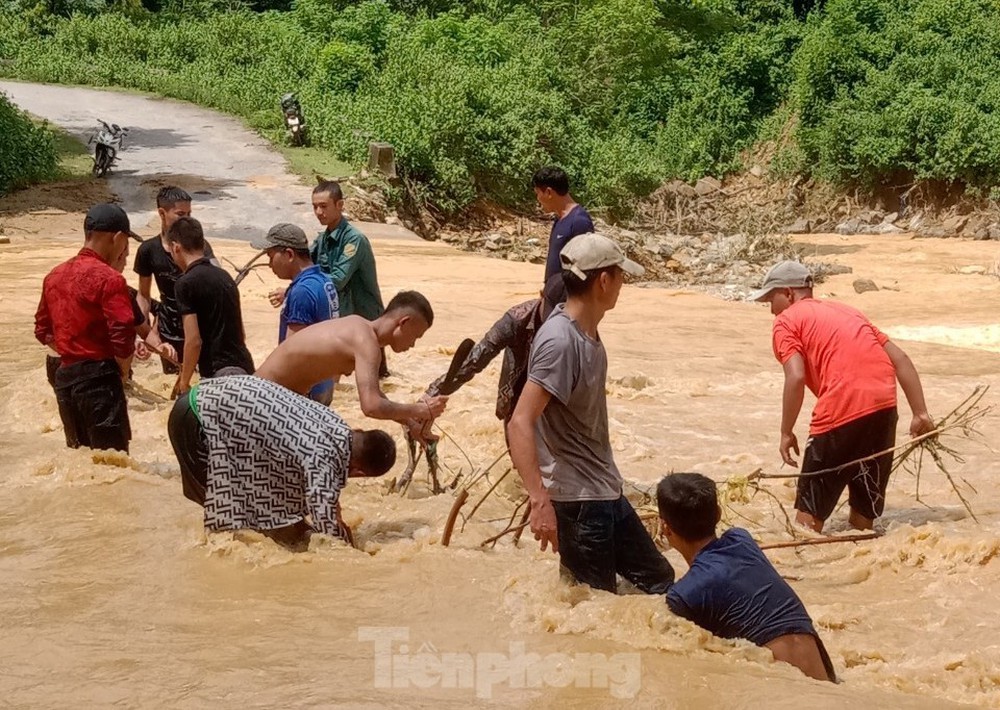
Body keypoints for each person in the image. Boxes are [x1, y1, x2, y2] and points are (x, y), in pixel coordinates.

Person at [507, 233, 674, 594]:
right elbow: (520, 420)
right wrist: (539, 500)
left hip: (603, 490)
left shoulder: (585, 330)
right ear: (603, 281)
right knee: (593, 601)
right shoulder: (561, 341)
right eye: (621, 277)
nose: (622, 286)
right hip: (577, 500)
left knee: (658, 581)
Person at [751, 260, 935, 532]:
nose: (770, 310)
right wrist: (921, 414)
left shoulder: (786, 322)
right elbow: (901, 360)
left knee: (806, 526)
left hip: (840, 410)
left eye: (770, 299)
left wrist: (786, 431)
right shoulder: (850, 312)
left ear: (788, 293)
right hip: (883, 409)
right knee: (864, 518)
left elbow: (796, 376)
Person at [167, 375, 397, 547]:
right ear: (357, 472)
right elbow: (328, 535)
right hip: (198, 420)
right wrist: (349, 548)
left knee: (255, 519)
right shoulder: (324, 460)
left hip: (206, 398)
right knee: (229, 529)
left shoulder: (335, 423)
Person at [656, 473, 837, 682]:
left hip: (782, 687)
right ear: (718, 513)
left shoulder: (684, 595)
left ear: (665, 528)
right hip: (825, 678)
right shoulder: (741, 539)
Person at [255, 290, 448, 436]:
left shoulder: (360, 328)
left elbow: (376, 394)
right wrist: (420, 409)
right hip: (260, 401)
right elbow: (371, 406)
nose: (413, 344)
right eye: (416, 336)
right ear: (403, 322)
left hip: (264, 397)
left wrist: (410, 423)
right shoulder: (366, 342)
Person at [34, 203, 138, 452]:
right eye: (125, 244)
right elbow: (123, 331)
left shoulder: (54, 275)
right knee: (113, 464)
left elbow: (42, 330)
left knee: (80, 458)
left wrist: (74, 351)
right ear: (118, 238)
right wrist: (122, 371)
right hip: (100, 381)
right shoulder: (110, 279)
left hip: (65, 381)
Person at [167, 216, 255, 397]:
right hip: (245, 368)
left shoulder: (185, 283)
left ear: (176, 247)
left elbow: (194, 341)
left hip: (218, 375)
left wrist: (184, 382)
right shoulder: (225, 277)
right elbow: (241, 334)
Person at [134, 186, 218, 374]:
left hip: (200, 329)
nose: (187, 220)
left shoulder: (202, 247)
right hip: (169, 331)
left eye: (189, 214)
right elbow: (144, 295)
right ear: (162, 213)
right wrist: (146, 334)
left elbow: (216, 283)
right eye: (180, 214)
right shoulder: (148, 250)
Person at [254, 222, 339, 405]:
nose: (269, 264)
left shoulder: (301, 292)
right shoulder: (324, 281)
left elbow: (293, 354)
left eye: (271, 256)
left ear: (289, 254)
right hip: (325, 383)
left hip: (305, 390)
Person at [532, 166, 595, 295]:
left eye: (537, 193)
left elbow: (586, 268)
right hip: (553, 296)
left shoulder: (579, 221)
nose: (537, 199)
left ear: (549, 193)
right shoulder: (559, 219)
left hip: (567, 303)